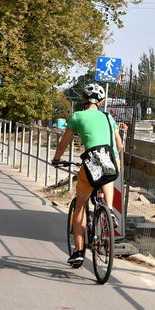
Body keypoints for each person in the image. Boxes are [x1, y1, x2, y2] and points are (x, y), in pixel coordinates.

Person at [52, 83, 123, 267]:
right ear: (102, 101)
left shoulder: (78, 116)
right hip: (112, 163)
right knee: (107, 176)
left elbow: (64, 143)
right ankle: (109, 210)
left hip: (93, 162)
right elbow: (120, 145)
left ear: (83, 99)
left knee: (81, 204)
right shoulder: (109, 117)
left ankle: (78, 251)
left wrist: (57, 158)